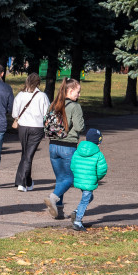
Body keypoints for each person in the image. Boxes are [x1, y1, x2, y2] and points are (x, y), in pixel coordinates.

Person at [45, 78, 85, 219]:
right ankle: (53, 197)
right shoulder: (75, 106)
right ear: (70, 90)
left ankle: (59, 212)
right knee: (70, 178)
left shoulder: (53, 104)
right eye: (78, 92)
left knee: (61, 179)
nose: (79, 95)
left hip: (53, 146)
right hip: (68, 146)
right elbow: (80, 127)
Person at [11, 73, 50, 192]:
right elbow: (46, 114)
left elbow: (14, 113)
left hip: (23, 127)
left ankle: (26, 181)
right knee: (28, 155)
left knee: (26, 154)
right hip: (37, 127)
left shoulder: (20, 95)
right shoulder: (42, 96)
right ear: (38, 83)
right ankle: (22, 182)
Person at [67, 129, 107, 231]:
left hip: (80, 180)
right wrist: (96, 178)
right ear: (98, 142)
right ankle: (77, 222)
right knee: (85, 200)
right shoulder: (98, 155)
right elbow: (102, 170)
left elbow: (73, 166)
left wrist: (77, 175)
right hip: (89, 182)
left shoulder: (77, 151)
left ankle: (77, 212)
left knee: (89, 197)